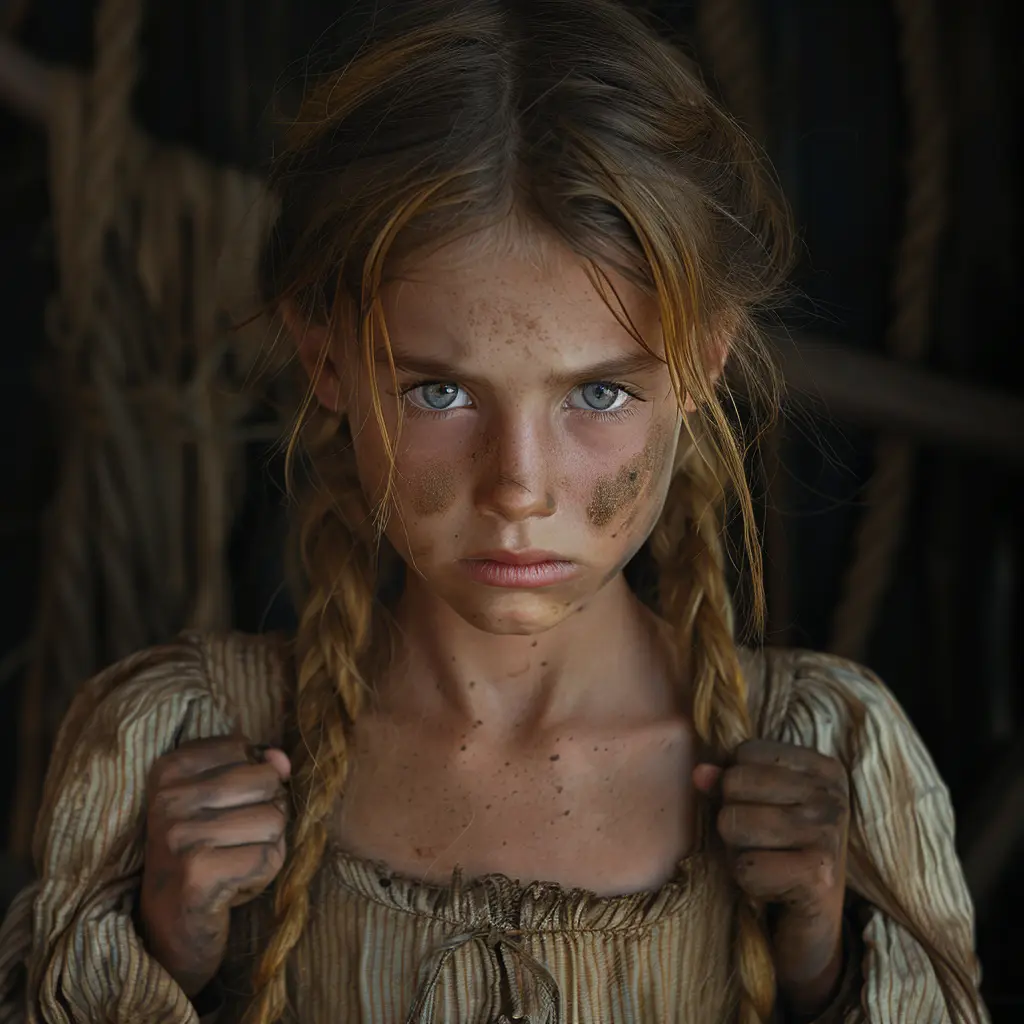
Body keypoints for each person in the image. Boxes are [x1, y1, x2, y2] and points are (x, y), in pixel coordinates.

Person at [0, 1, 987, 1021]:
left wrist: (821, 964)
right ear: (325, 358)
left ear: (702, 363)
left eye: (597, 393)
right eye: (441, 391)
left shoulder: (833, 758)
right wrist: (172, 947)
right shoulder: (180, 746)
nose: (517, 484)